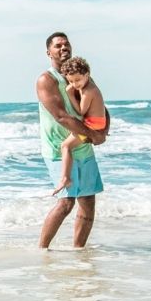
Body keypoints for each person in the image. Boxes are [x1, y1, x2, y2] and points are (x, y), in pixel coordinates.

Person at [36, 32, 109, 248]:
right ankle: (42, 250)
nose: (63, 48)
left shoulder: (82, 76)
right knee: (66, 202)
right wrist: (93, 134)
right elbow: (62, 116)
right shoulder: (46, 80)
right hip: (60, 148)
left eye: (66, 44)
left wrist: (104, 131)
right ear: (49, 52)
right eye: (58, 46)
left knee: (87, 202)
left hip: (83, 144)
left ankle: (79, 253)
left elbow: (100, 105)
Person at [51, 56, 108, 196]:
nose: (75, 84)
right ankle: (66, 177)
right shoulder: (86, 85)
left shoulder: (88, 91)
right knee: (68, 145)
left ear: (87, 74)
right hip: (97, 122)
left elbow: (81, 111)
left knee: (65, 146)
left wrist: (70, 94)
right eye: (70, 81)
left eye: (77, 80)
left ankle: (65, 178)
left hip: (93, 125)